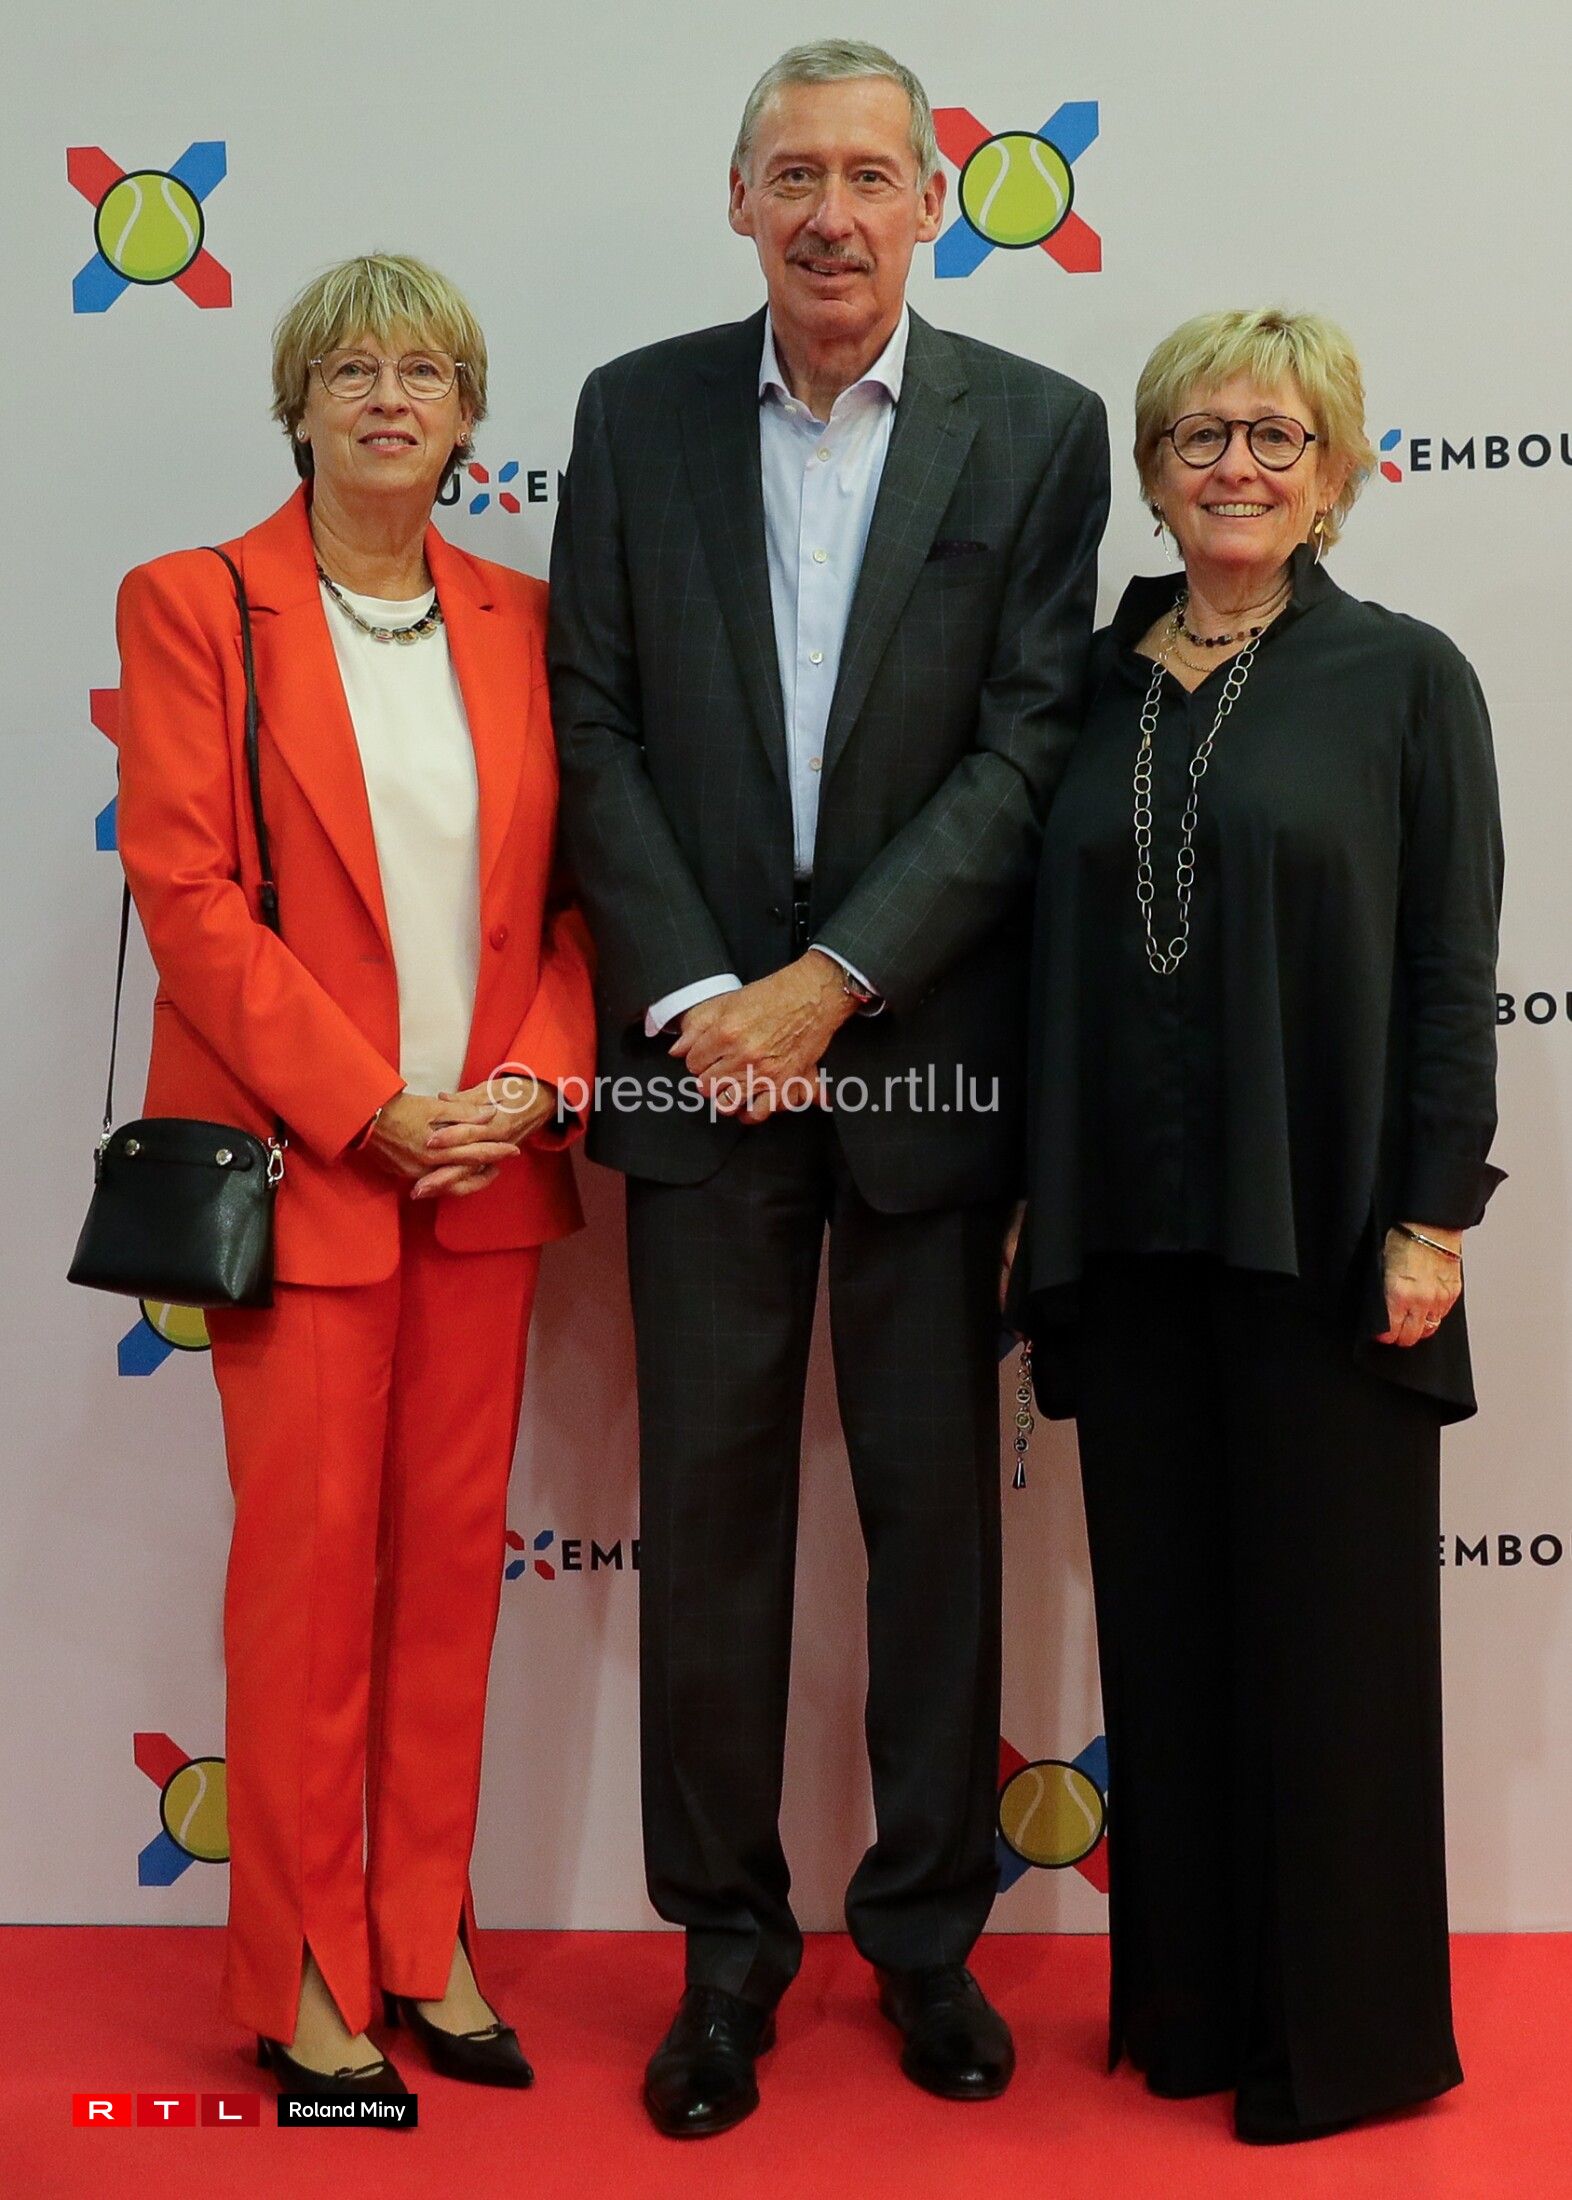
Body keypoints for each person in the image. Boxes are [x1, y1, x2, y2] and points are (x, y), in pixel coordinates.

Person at [549, 38, 1109, 2138]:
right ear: (739, 199)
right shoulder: (633, 411)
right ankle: (723, 1959)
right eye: (794, 173)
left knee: (933, 1529)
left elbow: (1028, 746)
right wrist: (716, 998)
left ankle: (930, 1940)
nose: (832, 214)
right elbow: (592, 721)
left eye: (872, 176)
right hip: (700, 1065)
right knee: (706, 1534)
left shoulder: (1035, 431)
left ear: (932, 203)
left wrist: (830, 983)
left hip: (921, 1061)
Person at [1007, 307, 1503, 2144]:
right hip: (1126, 1240)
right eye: (1202, 434)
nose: (1238, 465)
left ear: (1338, 473)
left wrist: (1434, 1214)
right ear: (1150, 468)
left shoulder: (1405, 676)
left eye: (1279, 437)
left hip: (1332, 1233)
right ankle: (1196, 2013)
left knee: (1335, 1649)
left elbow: (1450, 963)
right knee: (1169, 1633)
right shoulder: (1078, 686)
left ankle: (1344, 2045)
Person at [114, 254, 595, 2100]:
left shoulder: (527, 619)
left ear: (470, 416)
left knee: (448, 1586)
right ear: (297, 402)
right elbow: (188, 900)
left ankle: (422, 1936)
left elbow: (581, 899)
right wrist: (369, 1104)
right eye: (352, 369)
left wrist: (531, 1082)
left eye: (425, 372)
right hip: (308, 1172)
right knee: (308, 1594)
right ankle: (304, 1973)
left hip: (487, 1177)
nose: (390, 398)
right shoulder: (197, 602)